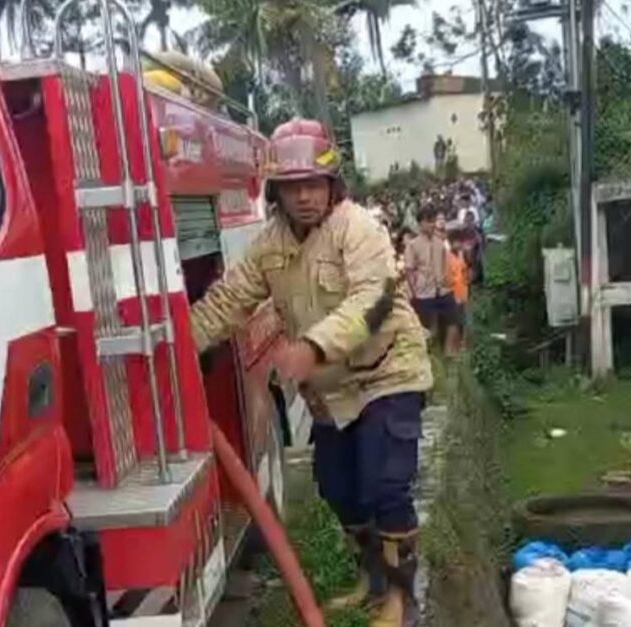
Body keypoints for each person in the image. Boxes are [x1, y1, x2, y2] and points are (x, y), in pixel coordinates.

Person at [191, 118, 432, 626]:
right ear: (275, 192)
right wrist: (182, 343)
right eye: (292, 187)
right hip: (331, 391)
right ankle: (370, 579)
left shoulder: (359, 228)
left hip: (387, 373)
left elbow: (373, 301)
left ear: (331, 185)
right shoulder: (271, 242)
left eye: (313, 184)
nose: (304, 196)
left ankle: (402, 600)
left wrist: (313, 347)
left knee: (386, 486)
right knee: (339, 489)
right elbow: (230, 299)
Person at [404, 205, 459, 355]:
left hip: (442, 289)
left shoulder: (439, 242)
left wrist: (448, 281)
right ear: (420, 223)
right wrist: (414, 292)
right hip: (423, 292)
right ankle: (429, 358)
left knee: (453, 320)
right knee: (428, 330)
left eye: (433, 221)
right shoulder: (412, 245)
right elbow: (409, 271)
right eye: (428, 221)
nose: (432, 224)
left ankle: (449, 356)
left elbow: (444, 263)